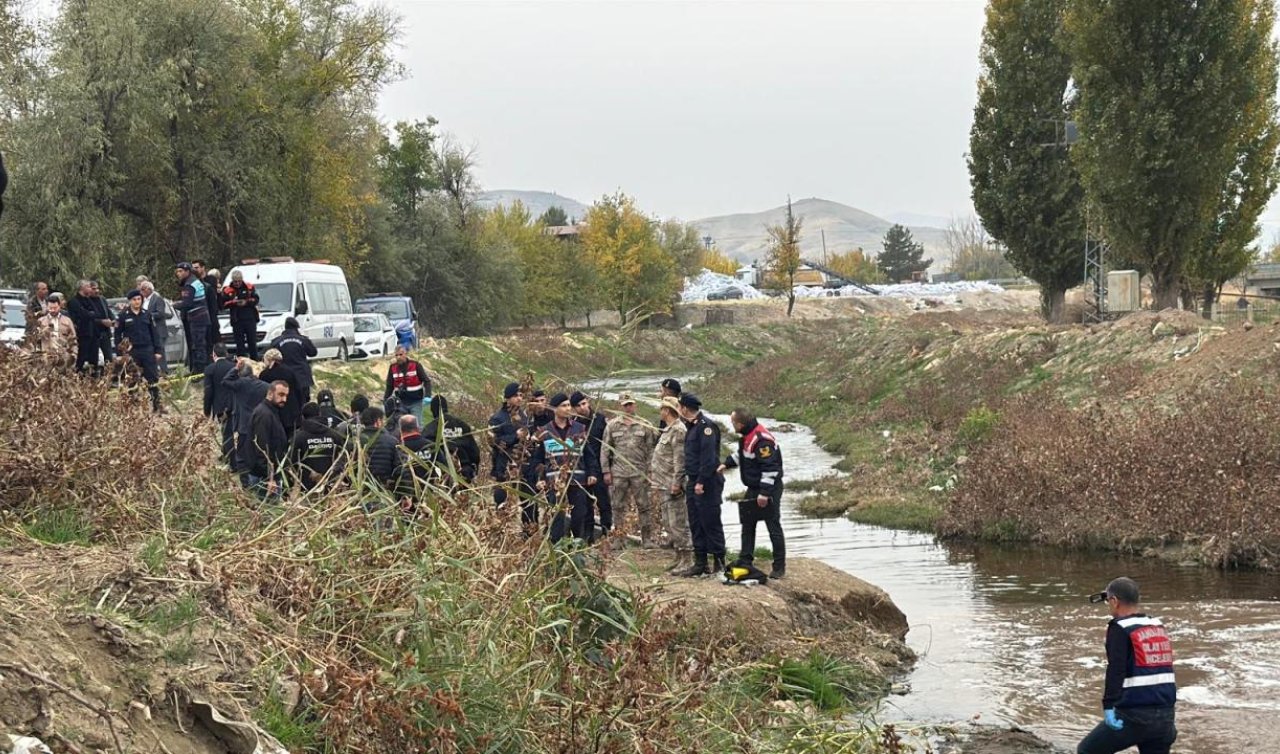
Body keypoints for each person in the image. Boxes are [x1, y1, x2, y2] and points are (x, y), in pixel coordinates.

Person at [1077, 577, 1177, 754]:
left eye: (1108, 601)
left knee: (1087, 750)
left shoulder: (1120, 628)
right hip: (1166, 716)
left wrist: (1108, 706)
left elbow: (1116, 669)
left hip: (1134, 716)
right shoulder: (1156, 625)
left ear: (1115, 601)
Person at [721, 408, 786, 579]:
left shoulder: (762, 440)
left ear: (740, 424)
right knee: (748, 523)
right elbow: (741, 454)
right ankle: (745, 559)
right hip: (754, 487)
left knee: (773, 525)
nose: (732, 425)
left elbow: (770, 468)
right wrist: (726, 464)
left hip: (769, 487)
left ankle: (779, 566)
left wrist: (764, 494)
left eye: (733, 422)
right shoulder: (748, 436)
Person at [525, 393, 598, 543]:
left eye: (568, 405)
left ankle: (577, 549)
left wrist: (592, 473)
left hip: (577, 480)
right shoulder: (545, 431)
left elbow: (588, 454)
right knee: (556, 518)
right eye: (563, 406)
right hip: (554, 482)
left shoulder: (579, 428)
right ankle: (557, 551)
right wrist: (540, 479)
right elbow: (538, 459)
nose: (568, 409)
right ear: (554, 409)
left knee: (579, 516)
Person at [677, 394, 727, 577]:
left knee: (710, 521)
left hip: (707, 482)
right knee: (696, 522)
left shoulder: (706, 427)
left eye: (680, 407)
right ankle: (700, 563)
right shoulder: (692, 427)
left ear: (685, 408)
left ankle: (719, 562)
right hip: (693, 481)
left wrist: (700, 482)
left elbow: (709, 458)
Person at [600, 393, 657, 545]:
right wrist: (606, 471)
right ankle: (619, 539)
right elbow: (605, 449)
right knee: (618, 506)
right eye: (625, 405)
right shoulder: (612, 425)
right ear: (620, 406)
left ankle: (647, 539)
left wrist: (650, 469)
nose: (628, 407)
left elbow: (651, 449)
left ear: (635, 404)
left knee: (643, 505)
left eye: (630, 404)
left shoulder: (644, 424)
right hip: (618, 473)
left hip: (639, 472)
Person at [650, 396, 690, 573]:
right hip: (663, 483)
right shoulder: (668, 430)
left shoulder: (678, 430)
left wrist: (677, 483)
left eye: (662, 409)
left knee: (677, 522)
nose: (660, 412)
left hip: (672, 485)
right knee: (668, 521)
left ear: (667, 411)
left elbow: (679, 459)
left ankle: (687, 557)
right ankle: (678, 556)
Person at [113, 289, 162, 411]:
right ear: (130, 301)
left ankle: (156, 405)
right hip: (132, 352)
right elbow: (118, 335)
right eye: (134, 300)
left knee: (152, 378)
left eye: (139, 299)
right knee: (132, 379)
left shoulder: (147, 314)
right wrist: (120, 353)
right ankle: (134, 407)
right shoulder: (123, 316)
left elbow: (154, 333)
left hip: (147, 350)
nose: (137, 302)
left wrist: (158, 351)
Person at [222, 358, 270, 482]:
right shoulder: (265, 386)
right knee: (260, 453)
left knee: (242, 456)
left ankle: (245, 482)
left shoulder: (240, 384)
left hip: (243, 425)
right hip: (260, 424)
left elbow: (225, 381)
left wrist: (236, 368)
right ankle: (261, 479)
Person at [572, 390, 611, 535]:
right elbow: (575, 449)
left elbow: (608, 445)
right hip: (584, 469)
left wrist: (608, 469)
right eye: (578, 406)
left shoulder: (600, 420)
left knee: (604, 502)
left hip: (600, 467)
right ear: (574, 408)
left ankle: (607, 531)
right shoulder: (575, 424)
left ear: (588, 402)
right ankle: (588, 535)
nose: (582, 408)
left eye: (584, 403)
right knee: (585, 504)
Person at [423, 394, 481, 487]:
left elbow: (424, 453)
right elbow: (474, 453)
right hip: (464, 473)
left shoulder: (430, 429)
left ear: (433, 411)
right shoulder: (463, 426)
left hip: (440, 475)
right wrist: (473, 471)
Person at [247, 380, 291, 499]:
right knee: (267, 514)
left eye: (286, 396)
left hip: (270, 474)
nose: (284, 399)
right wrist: (269, 478)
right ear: (270, 394)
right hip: (264, 478)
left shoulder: (272, 412)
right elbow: (262, 448)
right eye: (281, 395)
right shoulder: (264, 415)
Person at [289, 402, 347, 492]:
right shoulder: (334, 435)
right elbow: (343, 458)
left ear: (303, 417)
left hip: (306, 489)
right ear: (319, 414)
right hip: (332, 488)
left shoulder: (298, 437)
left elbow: (292, 463)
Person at [488, 382, 527, 514]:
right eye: (516, 395)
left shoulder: (523, 416)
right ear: (507, 398)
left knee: (525, 492)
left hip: (521, 460)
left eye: (521, 395)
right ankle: (500, 515)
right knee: (501, 492)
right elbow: (494, 442)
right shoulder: (498, 418)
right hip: (503, 460)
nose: (519, 398)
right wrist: (515, 436)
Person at [68, 279, 114, 376]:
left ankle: (94, 379)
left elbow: (96, 313)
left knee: (94, 360)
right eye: (89, 287)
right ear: (82, 288)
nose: (91, 289)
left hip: (94, 334)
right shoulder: (74, 301)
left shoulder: (90, 300)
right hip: (82, 335)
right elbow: (84, 315)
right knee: (81, 359)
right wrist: (90, 314)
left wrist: (90, 314)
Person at [174, 262, 211, 372]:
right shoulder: (196, 281)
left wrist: (174, 305)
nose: (178, 274)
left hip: (197, 318)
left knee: (198, 345)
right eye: (177, 271)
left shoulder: (189, 285)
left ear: (187, 271)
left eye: (181, 271)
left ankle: (199, 371)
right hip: (202, 316)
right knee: (201, 344)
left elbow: (187, 304)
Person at [203, 344, 236, 466]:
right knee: (232, 432)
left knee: (227, 434)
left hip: (221, 406)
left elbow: (208, 391)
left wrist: (207, 410)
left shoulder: (210, 369)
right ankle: (227, 455)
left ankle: (232, 463)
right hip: (235, 404)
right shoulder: (234, 367)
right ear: (226, 354)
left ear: (214, 355)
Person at [270, 317, 316, 403]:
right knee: (304, 402)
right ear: (296, 327)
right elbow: (313, 352)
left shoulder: (276, 342)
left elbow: (270, 355)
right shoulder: (303, 340)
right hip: (302, 377)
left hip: (284, 378)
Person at [258, 348, 303, 432]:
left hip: (274, 413)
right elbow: (298, 391)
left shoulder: (264, 374)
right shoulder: (290, 371)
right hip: (291, 411)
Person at [356, 406, 402, 489]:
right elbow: (399, 468)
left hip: (361, 489)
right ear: (378, 421)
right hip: (385, 490)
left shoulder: (356, 441)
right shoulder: (391, 441)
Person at [384, 346, 431, 426]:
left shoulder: (415, 365)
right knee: (402, 426)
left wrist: (427, 395)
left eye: (400, 354)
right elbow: (389, 385)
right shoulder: (393, 368)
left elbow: (427, 381)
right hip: (401, 403)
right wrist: (385, 399)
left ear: (405, 354)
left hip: (415, 401)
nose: (398, 357)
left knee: (417, 425)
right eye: (396, 355)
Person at [220, 270, 260, 360]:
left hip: (250, 319)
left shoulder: (249, 287)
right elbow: (222, 304)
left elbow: (256, 299)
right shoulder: (227, 290)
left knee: (252, 343)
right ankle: (241, 362)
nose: (237, 283)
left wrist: (246, 302)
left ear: (242, 280)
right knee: (240, 345)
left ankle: (255, 361)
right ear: (232, 281)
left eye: (239, 281)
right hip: (237, 320)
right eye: (235, 281)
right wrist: (234, 303)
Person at [33, 293, 77, 369]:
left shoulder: (67, 321)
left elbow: (73, 339)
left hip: (63, 356)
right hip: (46, 357)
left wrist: (74, 355)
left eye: (55, 308)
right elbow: (35, 340)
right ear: (47, 307)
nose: (52, 310)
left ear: (60, 306)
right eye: (50, 308)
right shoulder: (41, 321)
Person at [139, 281, 170, 373]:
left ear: (149, 289)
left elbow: (160, 313)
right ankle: (154, 371)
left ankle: (164, 372)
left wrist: (147, 315)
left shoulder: (157, 299)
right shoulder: (143, 300)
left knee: (160, 352)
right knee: (151, 352)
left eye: (142, 289)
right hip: (149, 331)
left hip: (159, 330)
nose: (141, 292)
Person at [192, 260, 221, 347]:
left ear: (203, 267)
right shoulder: (192, 282)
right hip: (200, 316)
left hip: (211, 314)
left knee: (214, 340)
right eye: (193, 268)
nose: (194, 270)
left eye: (196, 267)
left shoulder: (210, 281)